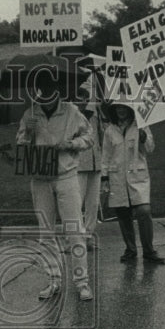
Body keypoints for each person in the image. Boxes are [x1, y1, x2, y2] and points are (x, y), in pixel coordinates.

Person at [16, 73, 95, 302]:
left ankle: (82, 282)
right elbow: (20, 146)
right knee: (46, 232)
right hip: (40, 177)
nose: (46, 96)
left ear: (57, 92)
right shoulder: (30, 113)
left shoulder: (71, 111)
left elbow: (89, 137)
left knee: (75, 231)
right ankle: (53, 280)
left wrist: (71, 144)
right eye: (43, 91)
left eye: (51, 91)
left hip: (66, 174)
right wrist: (28, 132)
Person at [101, 102, 164, 264]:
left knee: (143, 211)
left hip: (138, 176)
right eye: (117, 108)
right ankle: (130, 249)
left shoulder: (141, 125)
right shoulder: (109, 130)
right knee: (123, 214)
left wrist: (143, 138)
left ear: (130, 109)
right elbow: (106, 155)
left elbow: (150, 148)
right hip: (117, 178)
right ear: (114, 111)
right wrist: (104, 176)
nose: (121, 110)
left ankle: (149, 250)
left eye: (124, 107)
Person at [74, 87, 105, 248]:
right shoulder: (71, 116)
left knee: (93, 204)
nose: (83, 101)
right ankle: (75, 237)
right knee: (76, 203)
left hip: (95, 162)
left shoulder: (94, 114)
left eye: (85, 98)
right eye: (80, 98)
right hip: (78, 164)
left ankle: (89, 235)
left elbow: (101, 135)